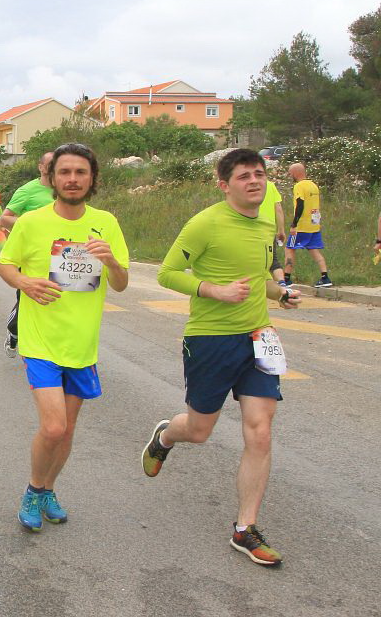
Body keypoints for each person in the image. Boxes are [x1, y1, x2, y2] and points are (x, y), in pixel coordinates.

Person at [142, 148, 300, 567]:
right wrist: (215, 290)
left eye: (259, 174)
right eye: (244, 176)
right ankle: (166, 436)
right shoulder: (205, 223)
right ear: (224, 185)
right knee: (199, 430)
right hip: (211, 339)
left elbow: (259, 277)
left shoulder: (265, 224)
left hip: (258, 337)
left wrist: (281, 294)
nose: (254, 181)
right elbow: (166, 273)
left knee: (260, 432)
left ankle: (245, 528)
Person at [0, 144, 129, 532]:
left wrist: (111, 261)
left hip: (82, 344)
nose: (72, 179)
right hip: (40, 340)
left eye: (80, 172)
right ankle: (33, 489)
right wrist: (25, 283)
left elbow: (121, 284)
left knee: (67, 430)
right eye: (65, 172)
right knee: (54, 427)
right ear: (52, 178)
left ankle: (48, 489)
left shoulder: (106, 222)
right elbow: (5, 265)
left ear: (92, 178)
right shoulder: (31, 222)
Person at [0, 151, 57, 356]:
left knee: (57, 297)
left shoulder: (64, 190)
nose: (54, 167)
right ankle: (14, 331)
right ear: (40, 167)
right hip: (31, 256)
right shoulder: (28, 190)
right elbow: (4, 219)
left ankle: (49, 344)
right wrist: (33, 226)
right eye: (50, 163)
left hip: (59, 255)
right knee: (27, 298)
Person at [283, 162, 332, 288]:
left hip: (302, 226)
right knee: (314, 249)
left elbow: (300, 205)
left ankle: (286, 279)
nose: (290, 176)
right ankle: (325, 277)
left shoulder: (299, 186)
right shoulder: (313, 185)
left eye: (290, 173)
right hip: (314, 224)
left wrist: (294, 224)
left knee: (290, 249)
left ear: (295, 173)